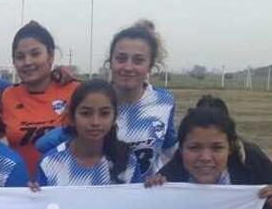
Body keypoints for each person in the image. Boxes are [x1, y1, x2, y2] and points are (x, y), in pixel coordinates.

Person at [36, 20, 176, 178]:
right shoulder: (95, 103)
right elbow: (43, 145)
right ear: (110, 62)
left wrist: (164, 177)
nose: (128, 67)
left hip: (146, 198)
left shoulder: (165, 101)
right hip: (103, 194)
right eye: (121, 59)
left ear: (150, 65)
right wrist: (68, 132)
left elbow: (173, 150)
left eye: (138, 61)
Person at [0, 21, 80, 177]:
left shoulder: (75, 91)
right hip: (21, 189)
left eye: (35, 54)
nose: (27, 62)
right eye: (20, 57)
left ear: (50, 56)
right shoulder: (6, 96)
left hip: (65, 187)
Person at [36, 80, 139, 186]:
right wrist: (32, 195)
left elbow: (139, 200)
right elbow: (42, 201)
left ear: (114, 117)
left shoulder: (128, 160)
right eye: (86, 113)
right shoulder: (50, 162)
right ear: (71, 117)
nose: (95, 122)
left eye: (104, 113)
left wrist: (154, 188)